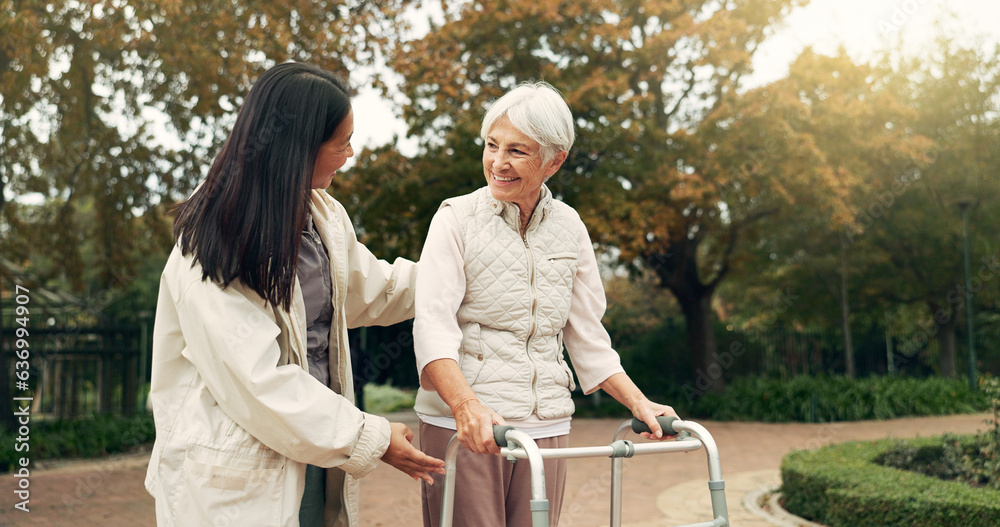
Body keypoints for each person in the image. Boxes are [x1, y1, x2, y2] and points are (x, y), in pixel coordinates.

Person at [144, 62, 444, 527]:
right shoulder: (211, 240)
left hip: (317, 451)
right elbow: (256, 378)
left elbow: (373, 291)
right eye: (342, 142)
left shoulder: (320, 214)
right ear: (300, 147)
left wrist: (462, 274)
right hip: (239, 472)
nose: (350, 154)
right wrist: (372, 436)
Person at [413, 82, 679, 527]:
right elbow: (433, 327)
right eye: (492, 145)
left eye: (517, 151)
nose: (498, 163)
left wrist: (639, 403)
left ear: (554, 160)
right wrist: (466, 408)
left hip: (547, 425)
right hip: (471, 429)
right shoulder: (454, 218)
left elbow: (588, 335)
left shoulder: (570, 227)